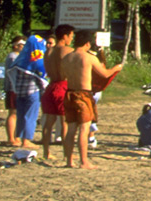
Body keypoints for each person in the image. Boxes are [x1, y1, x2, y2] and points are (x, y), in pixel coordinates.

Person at [62, 31, 123, 169]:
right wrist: (116, 68)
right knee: (84, 128)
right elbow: (105, 74)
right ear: (88, 43)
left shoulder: (67, 58)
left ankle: (69, 161)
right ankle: (84, 161)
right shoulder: (88, 58)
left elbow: (64, 74)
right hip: (83, 94)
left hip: (69, 93)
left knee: (71, 128)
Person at [43, 24, 76, 158]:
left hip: (51, 85)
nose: (72, 39)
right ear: (65, 36)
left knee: (48, 122)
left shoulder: (48, 52)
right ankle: (66, 153)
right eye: (71, 36)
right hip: (62, 85)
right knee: (64, 123)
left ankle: (46, 152)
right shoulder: (67, 50)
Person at [10, 35, 45, 150]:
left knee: (21, 115)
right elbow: (41, 76)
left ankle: (18, 138)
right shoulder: (36, 59)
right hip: (32, 91)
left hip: (20, 92)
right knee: (31, 116)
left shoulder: (21, 58)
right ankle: (27, 140)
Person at [2, 36, 24, 146]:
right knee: (13, 113)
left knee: (18, 114)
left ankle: (16, 137)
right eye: (22, 45)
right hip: (13, 88)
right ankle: (11, 138)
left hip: (17, 88)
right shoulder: (13, 57)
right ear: (16, 46)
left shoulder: (17, 56)